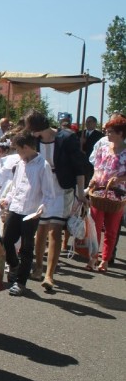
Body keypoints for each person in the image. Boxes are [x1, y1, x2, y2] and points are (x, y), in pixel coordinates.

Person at [24, 109, 87, 288]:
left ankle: (49, 275)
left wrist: (81, 193)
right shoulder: (34, 140)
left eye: (30, 129)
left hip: (61, 188)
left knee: (55, 229)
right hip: (41, 187)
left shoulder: (66, 138)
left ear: (37, 128)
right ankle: (37, 268)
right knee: (41, 229)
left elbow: (79, 167)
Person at [0, 131, 58, 295]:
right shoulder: (20, 163)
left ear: (26, 147)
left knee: (26, 247)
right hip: (16, 208)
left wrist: (42, 208)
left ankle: (21, 282)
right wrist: (7, 199)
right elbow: (15, 186)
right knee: (6, 240)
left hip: (31, 212)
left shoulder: (42, 165)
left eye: (18, 149)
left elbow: (49, 193)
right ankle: (14, 264)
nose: (17, 153)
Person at [87, 114, 126, 272]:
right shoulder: (103, 147)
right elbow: (97, 167)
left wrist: (120, 179)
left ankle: (105, 260)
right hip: (99, 192)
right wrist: (94, 179)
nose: (107, 134)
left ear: (120, 133)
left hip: (117, 195)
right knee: (95, 227)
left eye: (110, 132)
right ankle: (92, 258)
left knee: (111, 229)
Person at [80, 116, 104, 183]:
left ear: (95, 123)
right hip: (81, 162)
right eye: (86, 122)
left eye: (89, 121)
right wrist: (80, 142)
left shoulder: (100, 136)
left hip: (91, 163)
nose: (87, 123)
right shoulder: (80, 133)